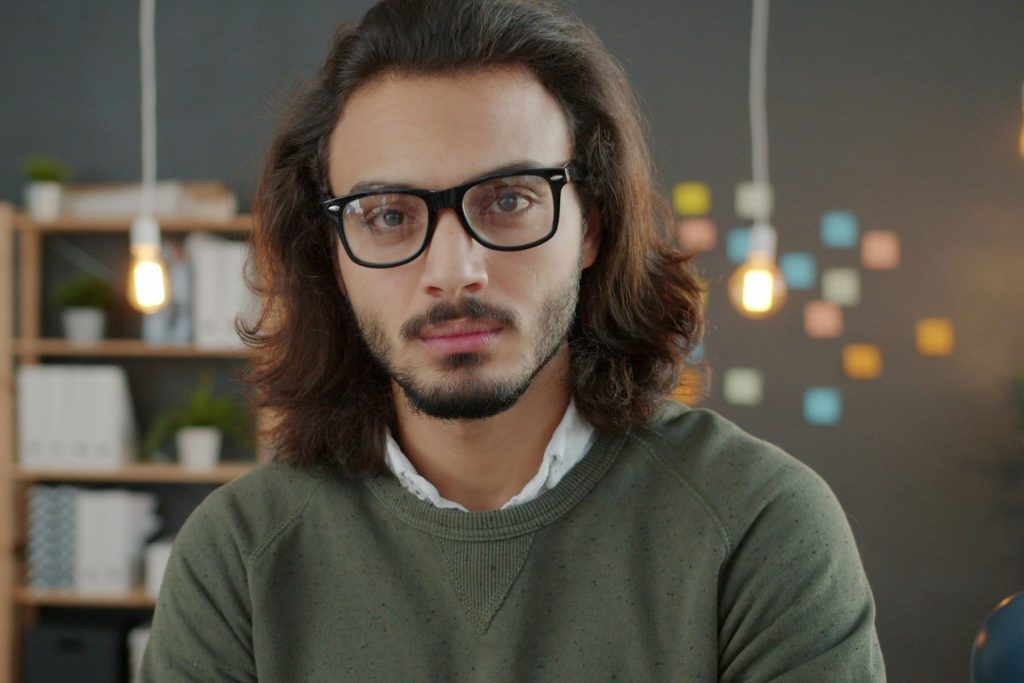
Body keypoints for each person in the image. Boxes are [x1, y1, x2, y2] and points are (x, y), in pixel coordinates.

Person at [141, 0, 886, 680]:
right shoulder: (239, 557)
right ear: (333, 255)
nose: (453, 272)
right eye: (388, 215)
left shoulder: (759, 525)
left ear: (591, 227)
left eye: (508, 200)